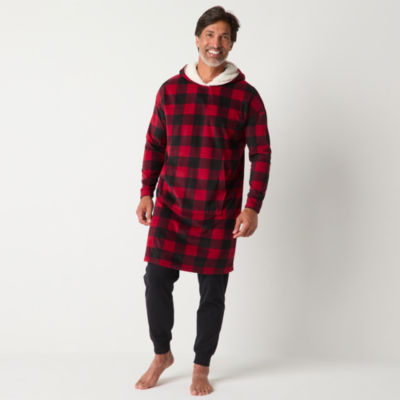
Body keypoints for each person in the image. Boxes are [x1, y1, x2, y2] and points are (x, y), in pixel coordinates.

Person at [135, 5, 272, 396]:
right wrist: (146, 191)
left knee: (212, 293)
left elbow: (261, 153)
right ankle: (162, 354)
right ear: (197, 39)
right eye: (210, 34)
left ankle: (201, 366)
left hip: (219, 211)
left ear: (232, 45)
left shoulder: (246, 96)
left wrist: (252, 205)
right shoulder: (171, 90)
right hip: (172, 205)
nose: (217, 43)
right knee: (155, 280)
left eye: (225, 36)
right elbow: (155, 144)